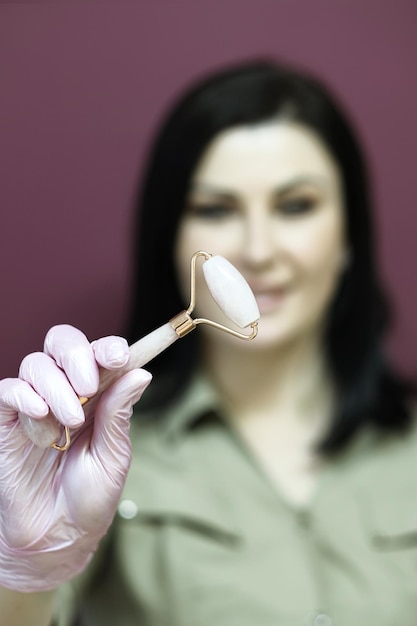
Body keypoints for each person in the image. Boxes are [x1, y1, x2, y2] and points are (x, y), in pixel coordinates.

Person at [0, 59, 416, 626]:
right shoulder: (93, 457)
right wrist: (23, 571)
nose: (259, 249)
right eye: (216, 209)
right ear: (172, 238)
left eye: (296, 206)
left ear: (348, 237)